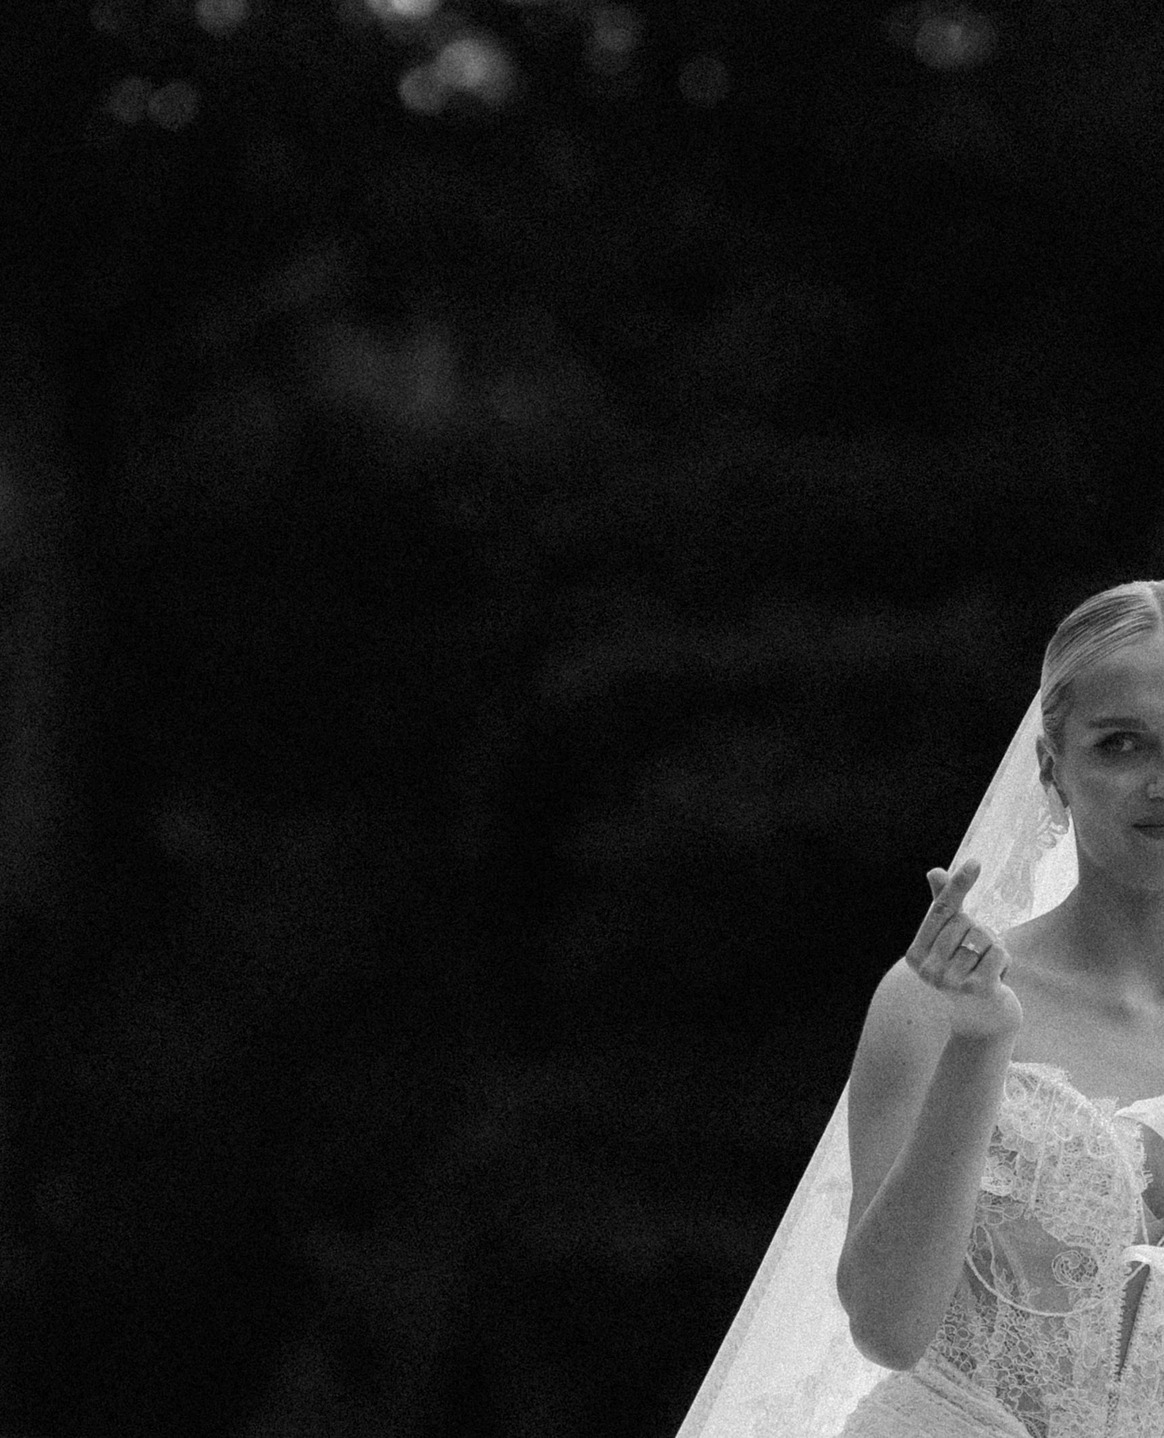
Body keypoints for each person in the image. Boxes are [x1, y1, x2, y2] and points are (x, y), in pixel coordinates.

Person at [676, 579, 1164, 1438]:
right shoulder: (938, 1001)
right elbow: (888, 1328)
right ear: (1051, 767)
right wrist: (981, 1048)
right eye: (1121, 744)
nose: (1160, 783)